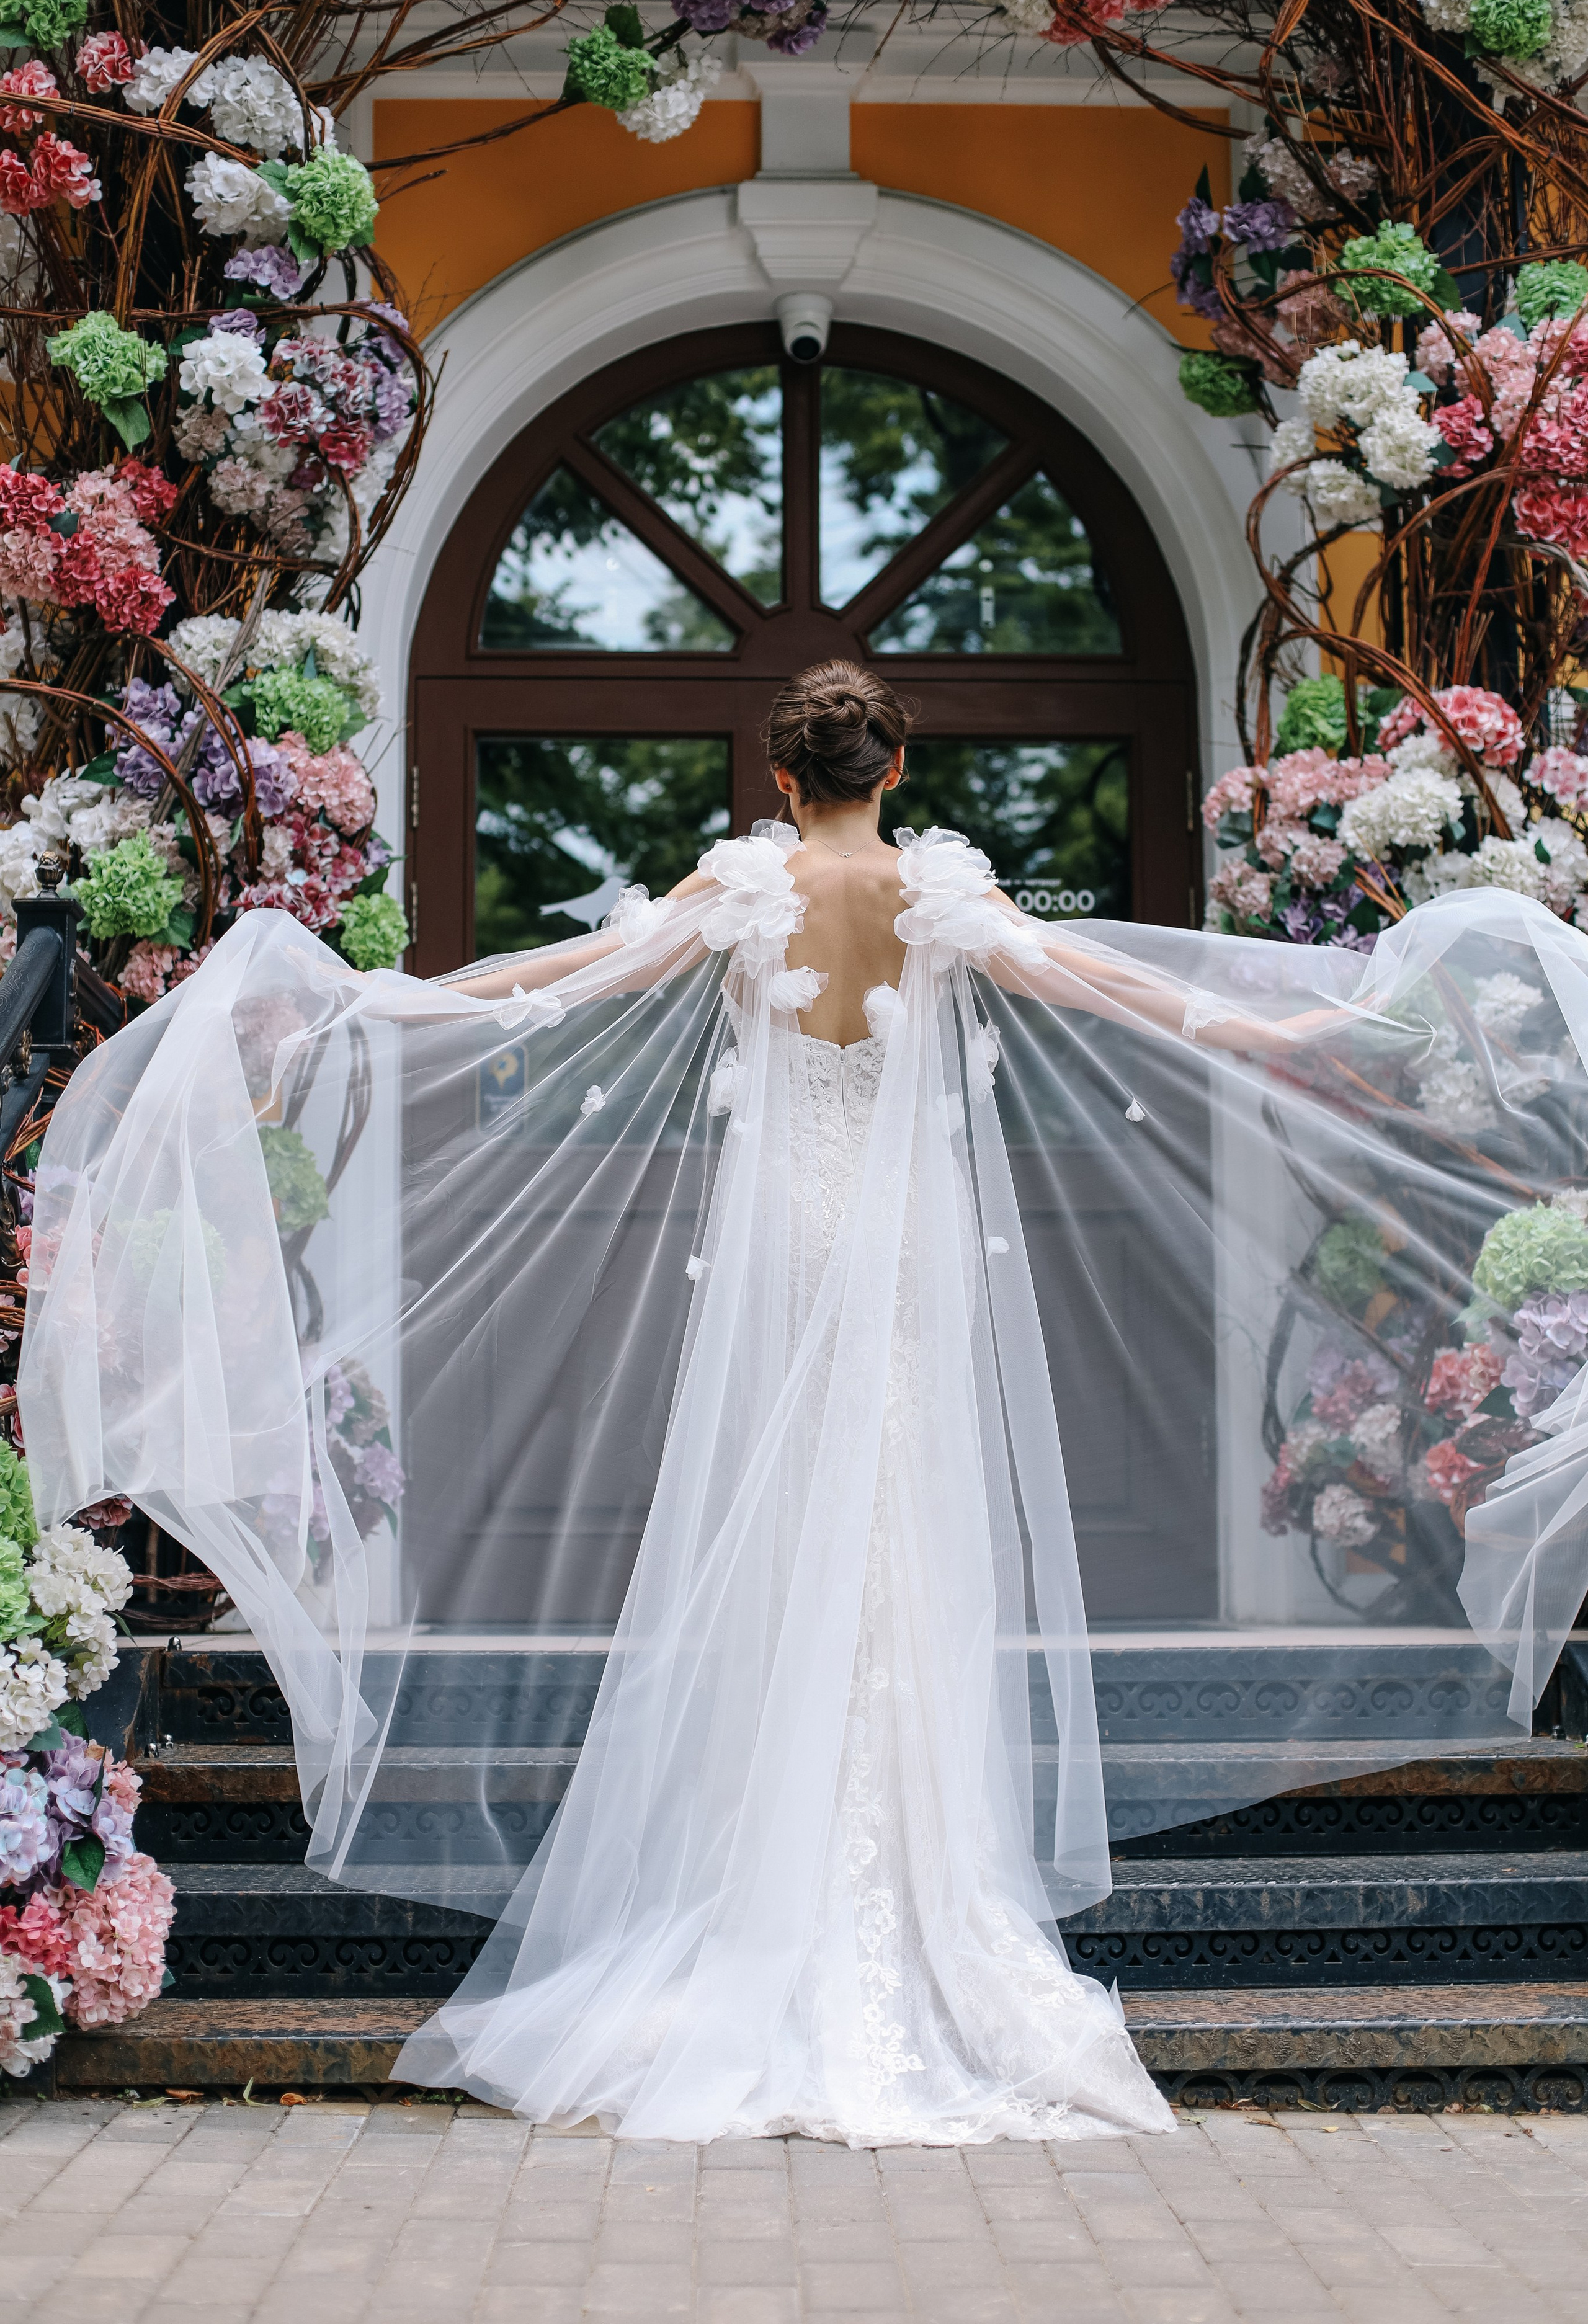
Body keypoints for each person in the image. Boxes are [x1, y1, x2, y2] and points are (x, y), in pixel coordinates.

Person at [20, 660, 1588, 2144]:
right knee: (900, 1522)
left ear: (778, 774)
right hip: (903, 1243)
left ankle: (755, 1888)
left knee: (775, 1521)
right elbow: (1126, 992)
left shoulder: (739, 887)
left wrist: (375, 1003)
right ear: (894, 767)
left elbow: (558, 986)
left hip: (781, 1234)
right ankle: (913, 1904)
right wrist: (1308, 1021)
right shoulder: (942, 892)